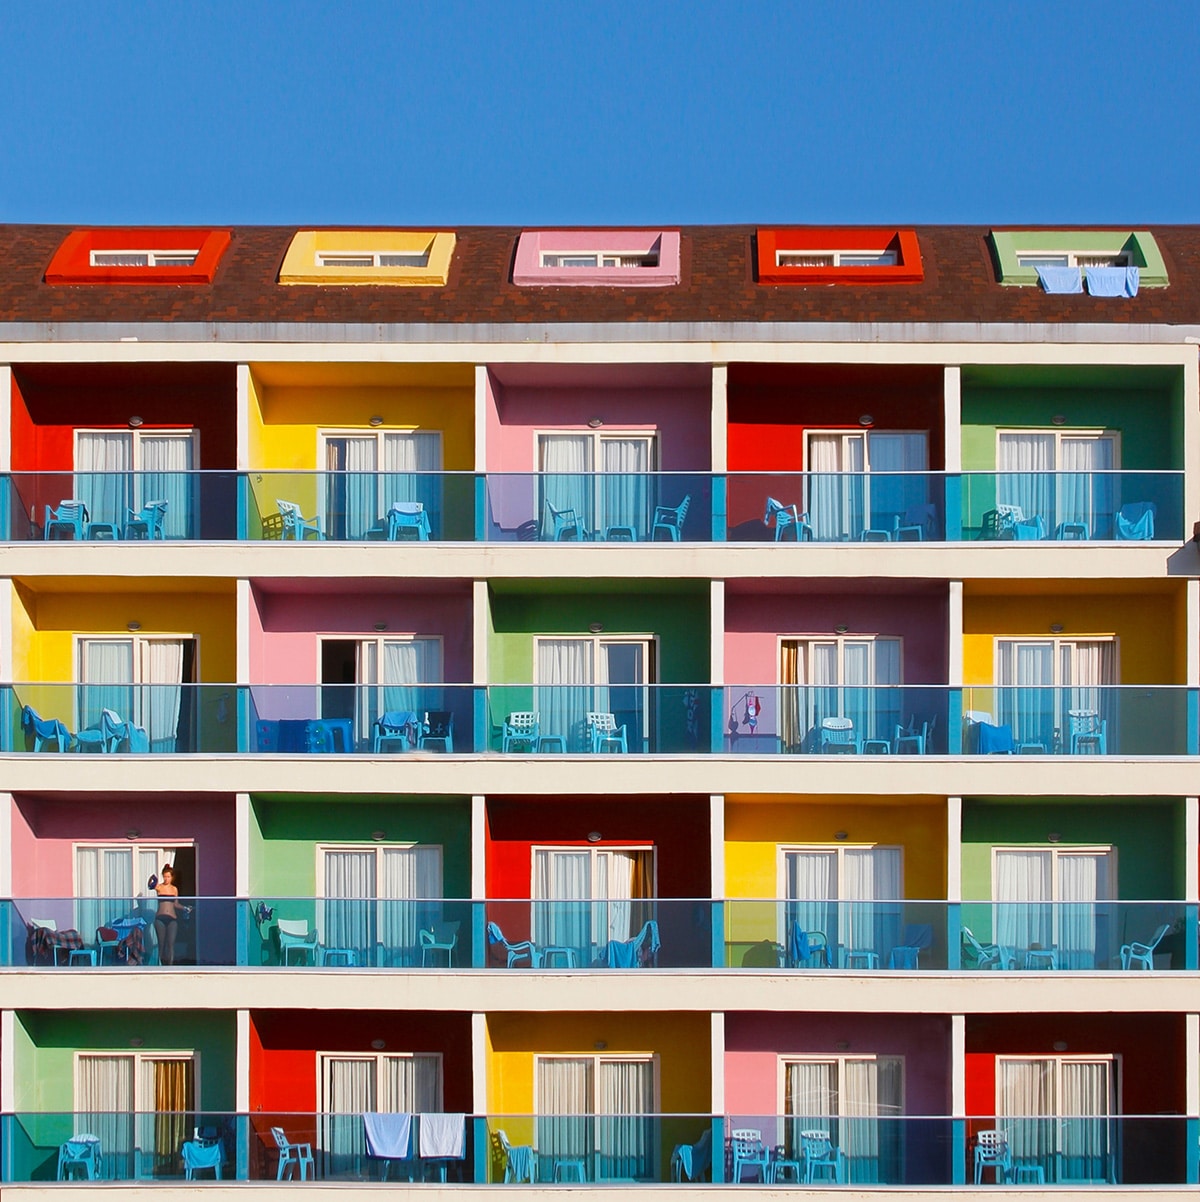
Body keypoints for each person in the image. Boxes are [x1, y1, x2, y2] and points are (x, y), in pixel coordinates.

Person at [153, 864, 190, 966]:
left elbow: (176, 904)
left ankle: (170, 965)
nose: (166, 879)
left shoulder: (174, 889)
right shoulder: (159, 887)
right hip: (160, 918)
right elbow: (151, 885)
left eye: (168, 876)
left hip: (172, 918)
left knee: (171, 944)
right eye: (164, 876)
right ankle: (159, 965)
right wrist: (152, 879)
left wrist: (185, 908)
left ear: (172, 877)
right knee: (161, 943)